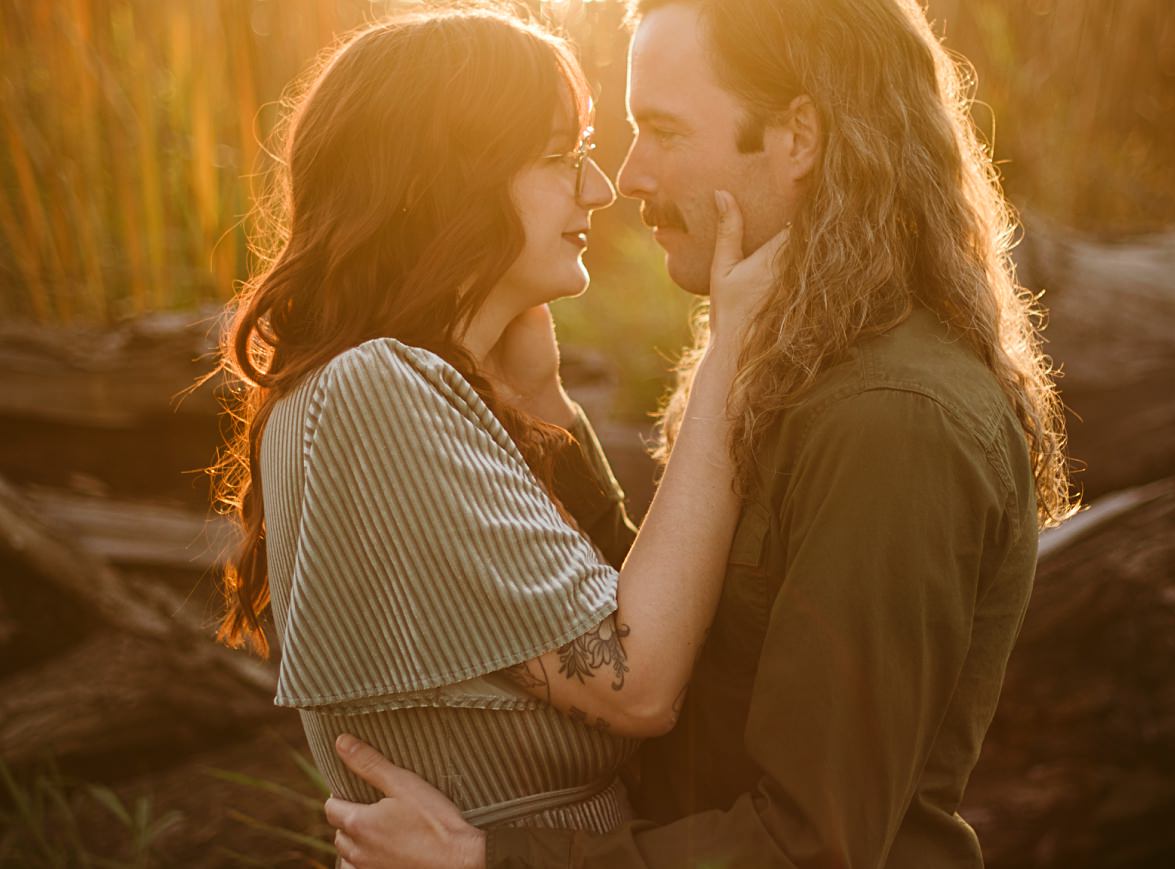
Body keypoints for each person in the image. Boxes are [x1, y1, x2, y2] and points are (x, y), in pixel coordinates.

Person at [323, 0, 1077, 867]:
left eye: (665, 132)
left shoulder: (892, 422)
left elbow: (810, 845)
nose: (629, 176)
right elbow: (677, 648)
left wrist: (488, 860)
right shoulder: (783, 358)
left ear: (798, 137)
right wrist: (546, 414)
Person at [210, 7, 784, 837]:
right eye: (560, 158)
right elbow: (641, 678)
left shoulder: (403, 393)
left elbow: (615, 620)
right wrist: (734, 357)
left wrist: (544, 404)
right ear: (439, 179)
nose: (599, 187)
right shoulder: (375, 393)